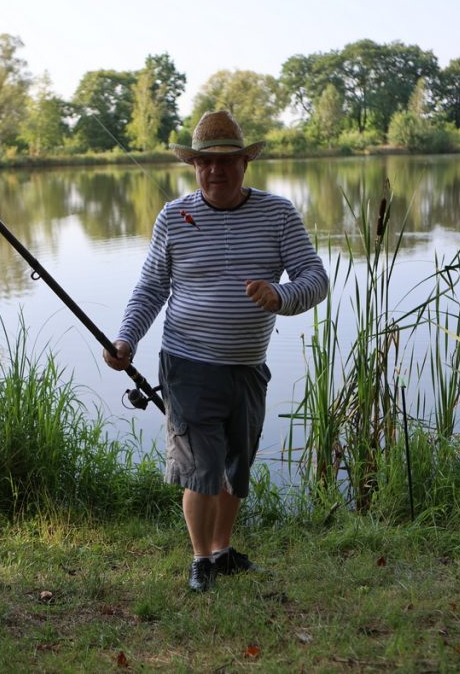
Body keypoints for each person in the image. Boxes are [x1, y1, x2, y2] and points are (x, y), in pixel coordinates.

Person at [103, 111, 329, 592]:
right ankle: (200, 559)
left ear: (246, 163)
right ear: (194, 166)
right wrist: (126, 339)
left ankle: (223, 552)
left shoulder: (278, 213)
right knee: (201, 467)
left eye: (226, 161)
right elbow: (150, 290)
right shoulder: (173, 216)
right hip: (186, 362)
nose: (215, 171)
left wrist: (281, 296)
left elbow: (315, 279)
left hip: (247, 368)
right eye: (205, 162)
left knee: (235, 466)